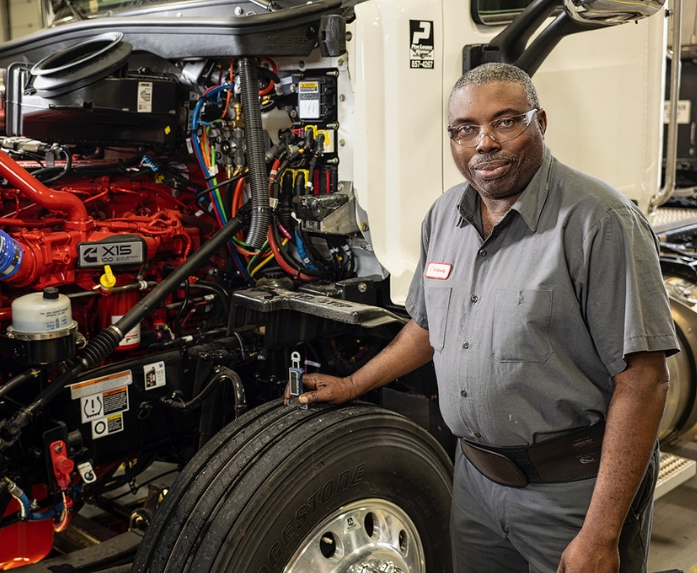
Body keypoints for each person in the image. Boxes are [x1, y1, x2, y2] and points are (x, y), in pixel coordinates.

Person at [289, 62, 679, 572]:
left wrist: (600, 534)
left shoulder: (599, 221)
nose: (484, 143)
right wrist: (352, 384)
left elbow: (645, 381)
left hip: (571, 494)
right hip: (474, 484)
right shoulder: (445, 216)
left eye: (506, 121)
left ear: (540, 122)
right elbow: (430, 329)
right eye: (465, 129)